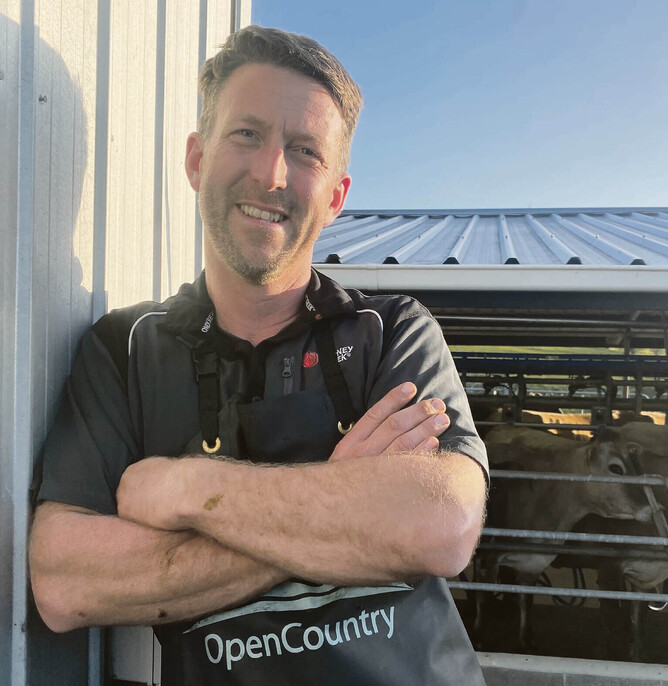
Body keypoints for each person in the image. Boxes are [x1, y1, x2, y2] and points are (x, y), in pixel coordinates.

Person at [30, 26, 488, 685]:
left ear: (335, 197)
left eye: (305, 151)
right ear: (197, 159)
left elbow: (443, 522)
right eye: (246, 134)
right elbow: (65, 582)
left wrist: (188, 489)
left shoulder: (390, 331)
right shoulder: (125, 351)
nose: (272, 175)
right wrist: (349, 502)